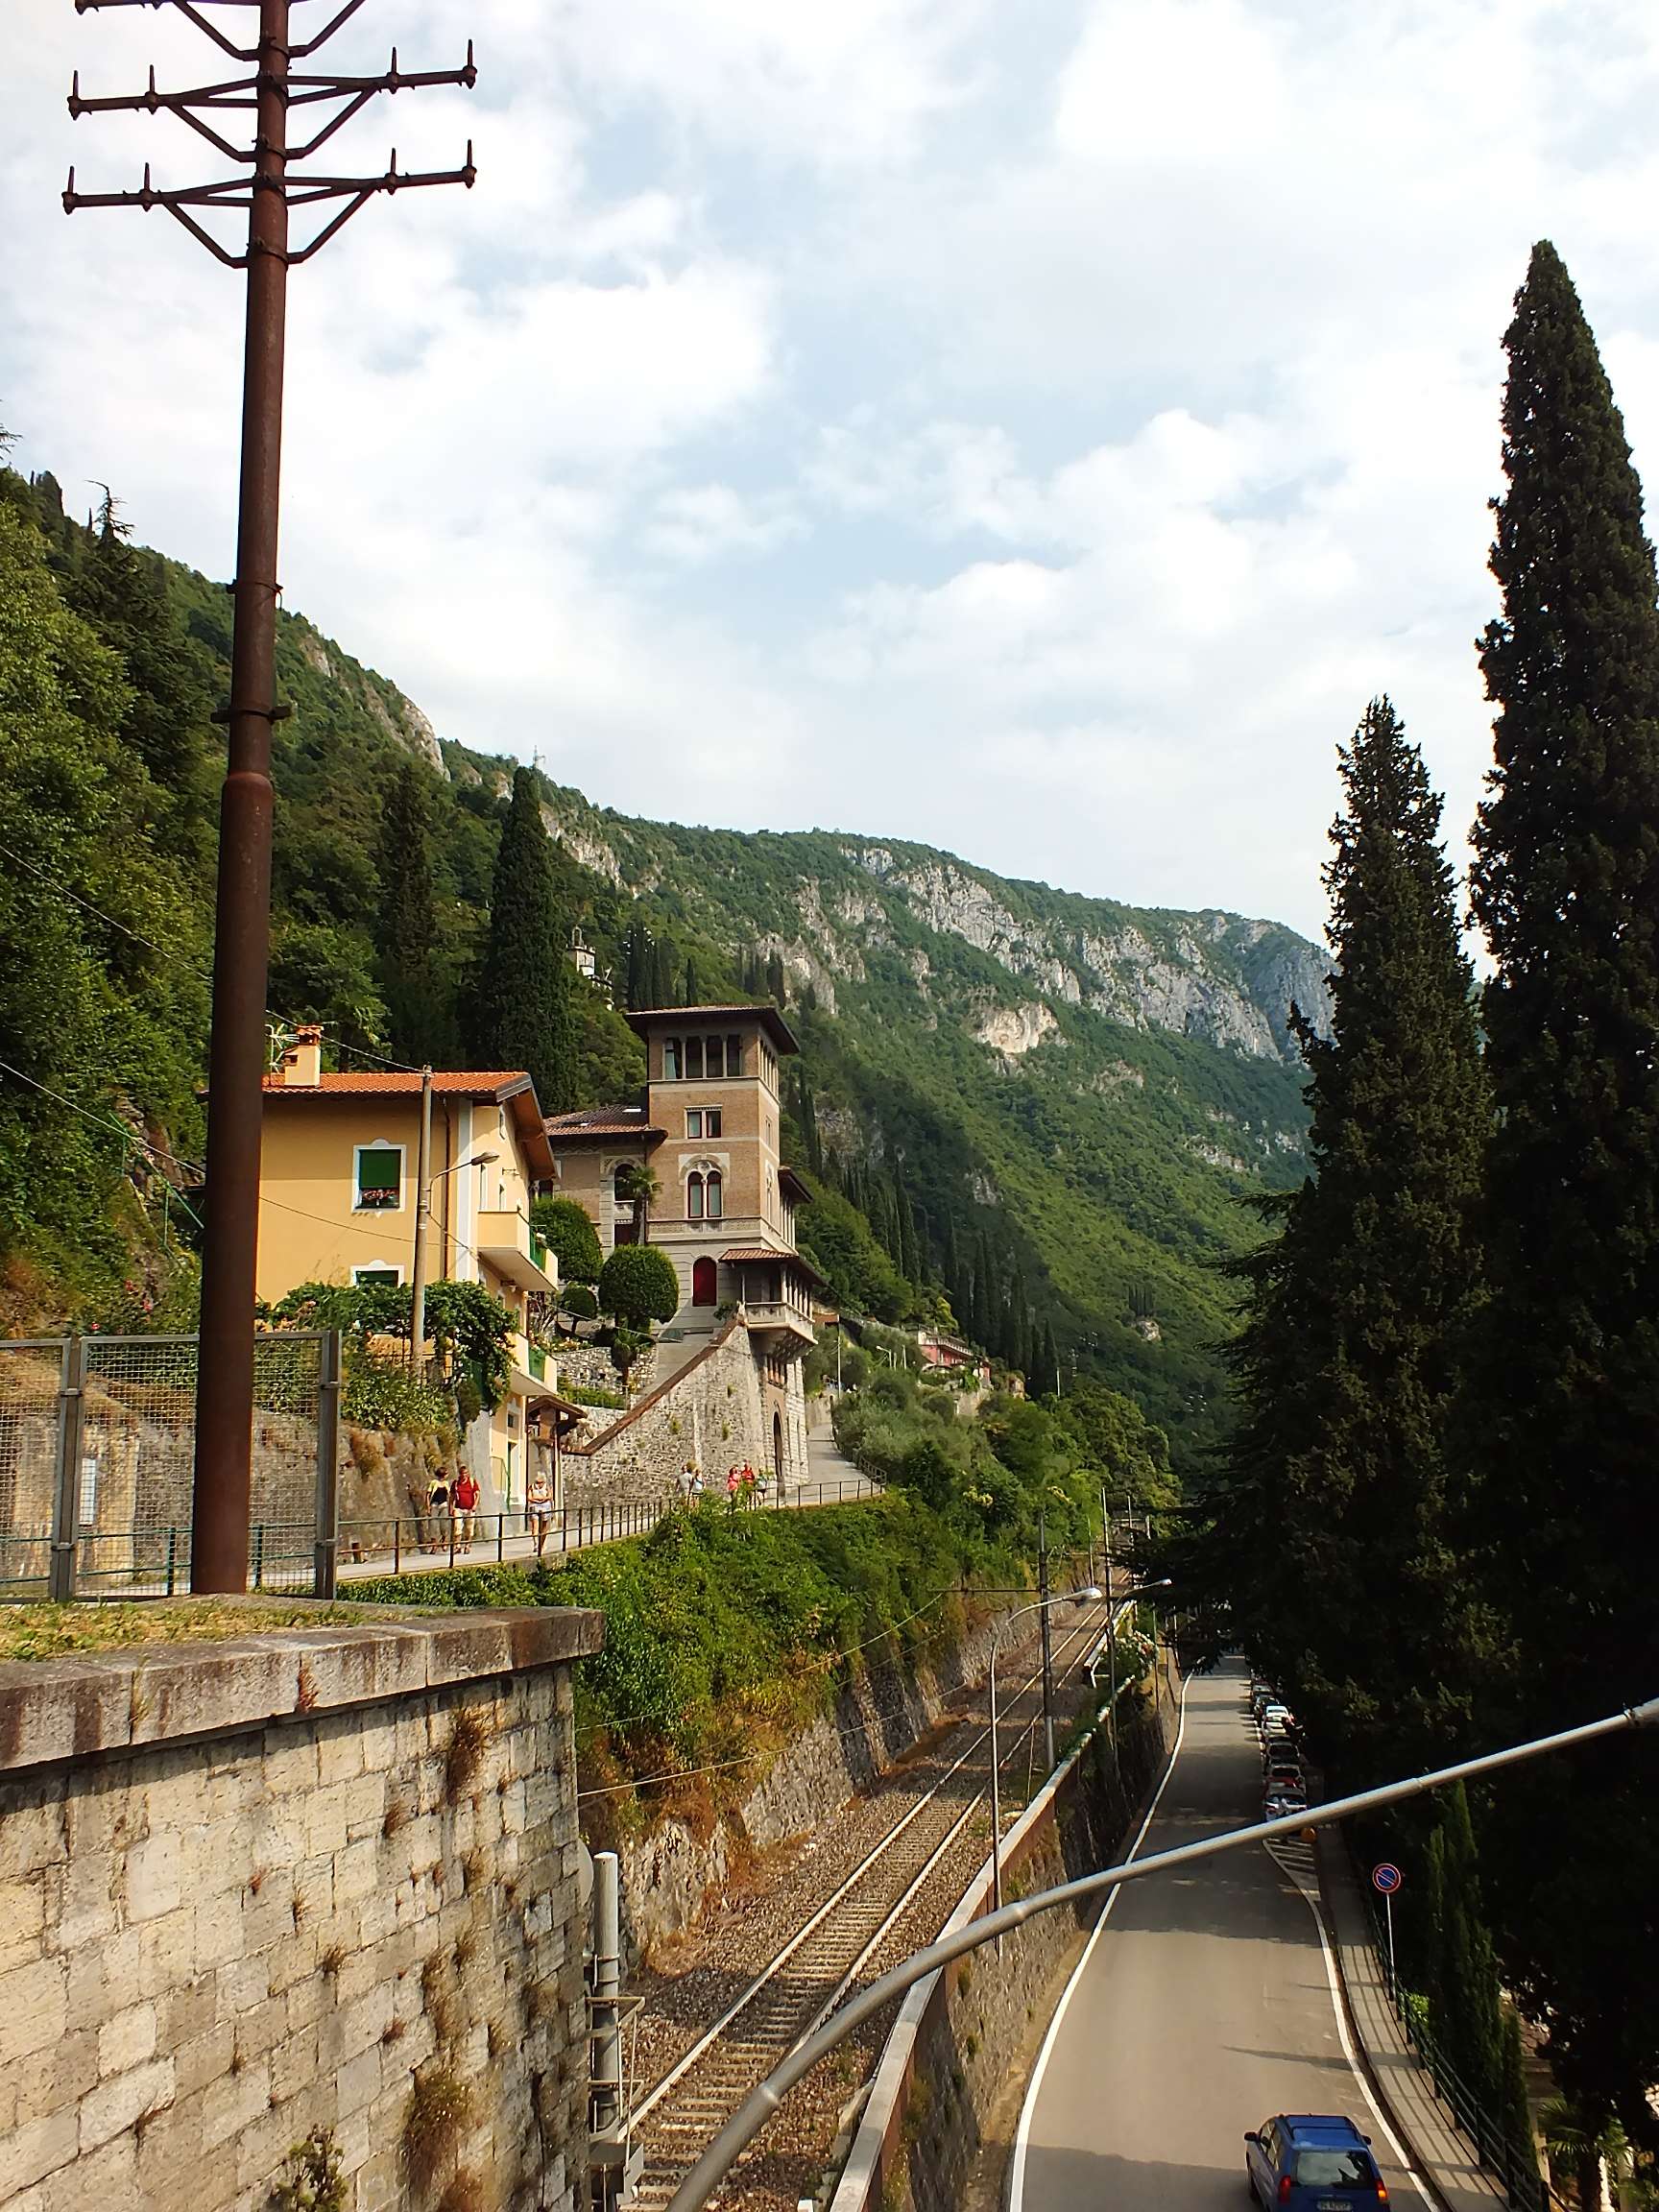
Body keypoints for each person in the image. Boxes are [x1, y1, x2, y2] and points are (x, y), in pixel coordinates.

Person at [527, 1462, 555, 1559]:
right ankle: (536, 1545)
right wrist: (537, 1499)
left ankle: (541, 1545)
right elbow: (529, 1497)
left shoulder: (546, 1486)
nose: (539, 1484)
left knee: (544, 1527)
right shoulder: (532, 1486)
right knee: (535, 1526)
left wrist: (544, 1499)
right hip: (535, 1506)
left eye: (540, 1482)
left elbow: (550, 1495)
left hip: (545, 1506)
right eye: (538, 1482)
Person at [451, 1467, 479, 1553]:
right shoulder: (456, 1483)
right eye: (463, 1473)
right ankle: (457, 1546)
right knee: (457, 1527)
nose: (464, 1475)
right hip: (458, 1508)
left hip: (470, 1508)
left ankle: (467, 1545)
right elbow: (452, 1496)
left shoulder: (472, 1482)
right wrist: (451, 1508)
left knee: (469, 1528)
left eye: (466, 1473)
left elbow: (477, 1494)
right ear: (460, 1474)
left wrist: (475, 1505)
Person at [425, 1469, 450, 1553]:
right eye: (446, 1473)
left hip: (444, 1505)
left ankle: (444, 1541)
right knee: (433, 1525)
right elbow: (428, 1494)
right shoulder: (434, 1482)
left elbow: (449, 1496)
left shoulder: (446, 1483)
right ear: (443, 1474)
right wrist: (428, 1507)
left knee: (444, 1525)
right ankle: (434, 1545)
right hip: (435, 1505)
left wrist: (451, 1507)